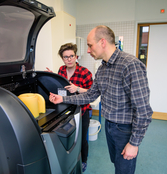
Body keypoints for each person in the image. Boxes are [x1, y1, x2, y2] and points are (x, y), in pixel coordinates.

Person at [49, 25, 153, 174]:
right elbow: (90, 95)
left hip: (124, 129)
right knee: (117, 165)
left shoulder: (130, 65)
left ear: (102, 42)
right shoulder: (103, 69)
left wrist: (134, 143)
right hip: (109, 126)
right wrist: (62, 99)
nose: (88, 50)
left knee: (124, 170)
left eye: (90, 45)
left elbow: (143, 110)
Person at [46, 43, 93, 172]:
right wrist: (52, 77)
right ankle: (70, 159)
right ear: (62, 59)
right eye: (66, 57)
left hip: (81, 111)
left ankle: (83, 161)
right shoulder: (61, 70)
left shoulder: (84, 73)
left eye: (71, 56)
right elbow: (59, 88)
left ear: (76, 56)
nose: (69, 59)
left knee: (82, 139)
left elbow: (92, 92)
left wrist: (77, 88)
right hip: (66, 111)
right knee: (70, 138)